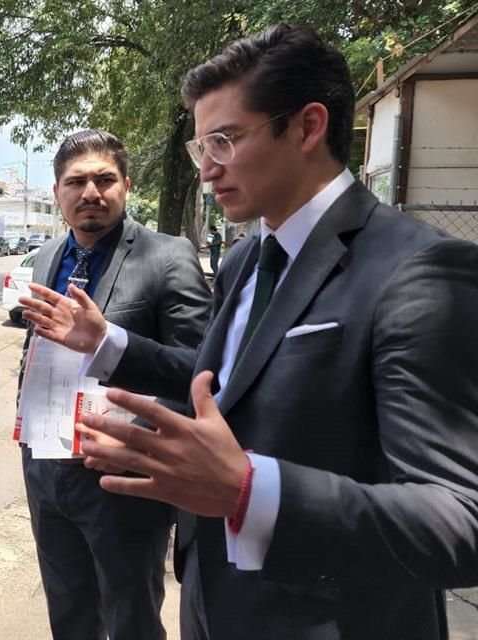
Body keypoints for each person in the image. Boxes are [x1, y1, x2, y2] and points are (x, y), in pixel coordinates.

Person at [74, 25, 478, 640]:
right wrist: (112, 353)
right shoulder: (243, 260)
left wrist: (248, 491)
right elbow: (225, 387)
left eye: (225, 140)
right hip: (212, 600)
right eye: (199, 146)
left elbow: (459, 521)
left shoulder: (416, 268)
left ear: (308, 127)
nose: (207, 168)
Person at [16, 129, 211, 640]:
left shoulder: (167, 256)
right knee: (68, 610)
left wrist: (144, 445)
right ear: (57, 192)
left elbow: (201, 370)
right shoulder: (46, 258)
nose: (90, 193)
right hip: (46, 469)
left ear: (126, 185)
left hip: (121, 478)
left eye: (104, 179)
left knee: (130, 619)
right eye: (75, 182)